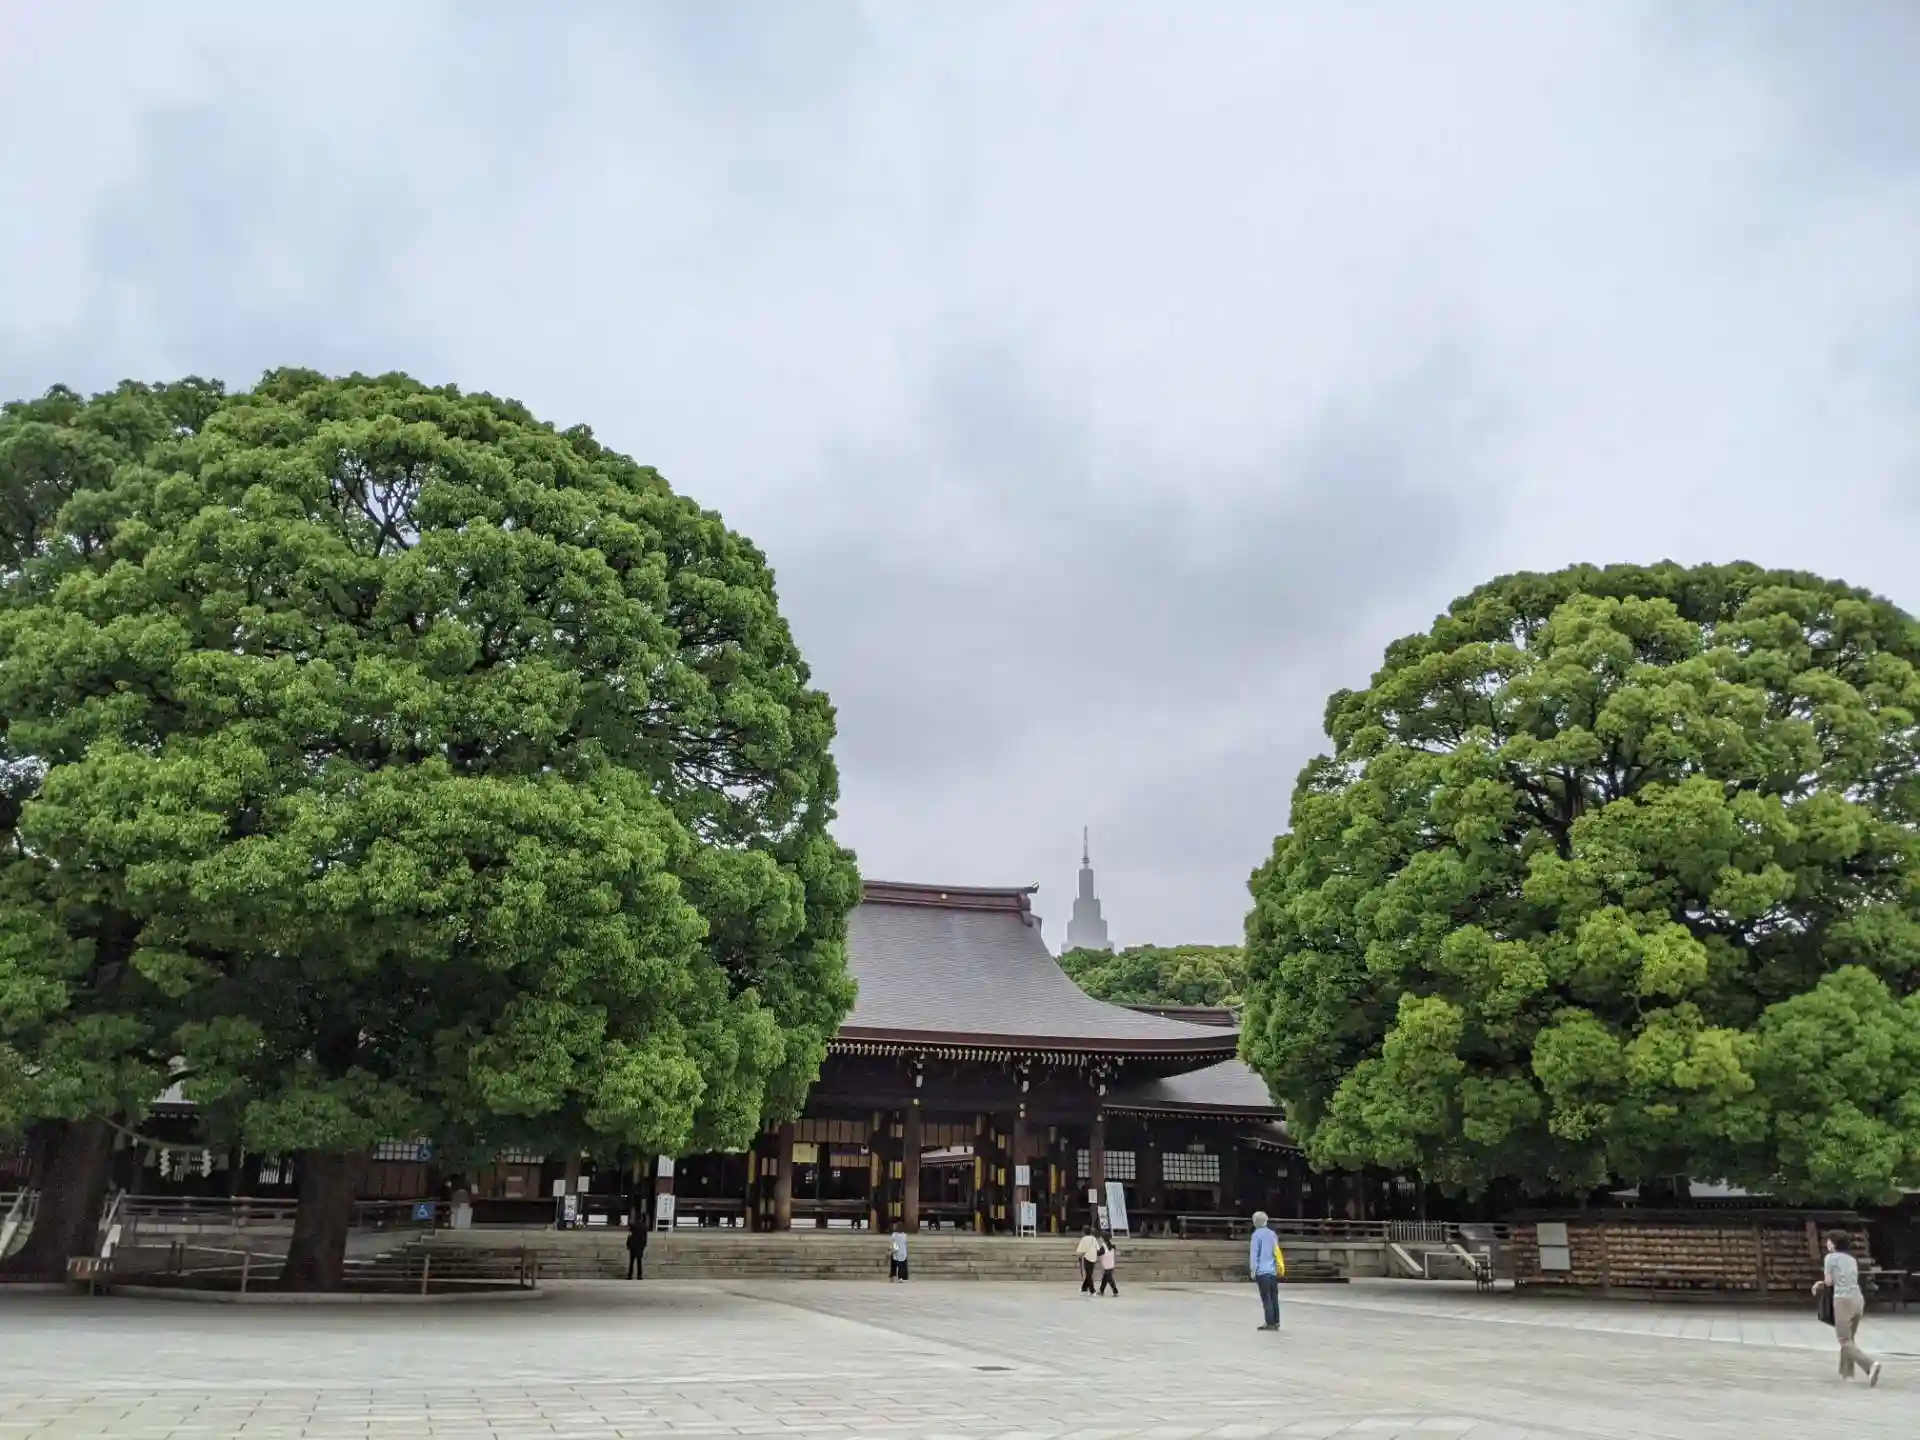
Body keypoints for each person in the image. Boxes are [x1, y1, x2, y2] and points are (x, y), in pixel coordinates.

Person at [1815, 1233, 1882, 1386]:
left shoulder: (1830, 1258)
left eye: (1828, 1241)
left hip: (1843, 1300)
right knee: (1849, 1339)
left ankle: (1870, 1365)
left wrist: (1819, 1284)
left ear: (1834, 1243)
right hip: (1858, 1300)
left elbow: (1829, 1282)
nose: (1827, 1243)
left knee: (1843, 1339)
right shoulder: (1852, 1259)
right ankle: (1847, 1374)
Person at [1249, 1210, 1285, 1330]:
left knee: (1266, 1297)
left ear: (1255, 1222)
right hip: (1272, 1270)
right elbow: (1276, 1252)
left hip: (1262, 1271)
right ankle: (1276, 1321)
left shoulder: (1256, 1235)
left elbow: (1254, 1254)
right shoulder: (1272, 1234)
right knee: (1274, 1297)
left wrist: (1253, 1269)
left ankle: (1269, 1322)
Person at [1075, 1225, 1101, 1295]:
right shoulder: (1093, 1238)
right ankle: (1084, 1288)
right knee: (1089, 1273)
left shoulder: (1084, 1239)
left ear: (1083, 1232)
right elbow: (1098, 1248)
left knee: (1089, 1275)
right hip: (1094, 1258)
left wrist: (1079, 1255)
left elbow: (1080, 1250)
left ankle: (1092, 1291)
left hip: (1087, 1258)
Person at [626, 1213, 649, 1280]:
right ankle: (639, 1276)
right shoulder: (644, 1227)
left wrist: (628, 1244)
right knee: (639, 1262)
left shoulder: (633, 1225)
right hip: (639, 1246)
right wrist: (644, 1246)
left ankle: (630, 1275)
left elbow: (629, 1236)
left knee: (631, 1261)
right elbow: (645, 1238)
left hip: (633, 1246)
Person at [1098, 1230, 1120, 1296]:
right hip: (1111, 1265)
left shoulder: (1103, 1247)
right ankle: (1101, 1291)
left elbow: (1098, 1253)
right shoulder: (1112, 1246)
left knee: (1110, 1279)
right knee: (1104, 1279)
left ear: (1103, 1238)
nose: (1100, 1238)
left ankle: (1115, 1291)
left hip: (1107, 1266)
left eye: (1101, 1237)